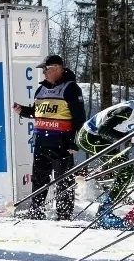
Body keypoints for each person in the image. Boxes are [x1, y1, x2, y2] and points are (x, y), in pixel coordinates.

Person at [11, 54, 86, 220]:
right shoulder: (41, 89)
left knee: (63, 181)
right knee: (38, 179)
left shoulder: (71, 88)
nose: (44, 72)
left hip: (62, 143)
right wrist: (22, 110)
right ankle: (36, 212)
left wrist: (74, 142)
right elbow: (36, 112)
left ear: (57, 68)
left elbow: (80, 118)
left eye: (46, 68)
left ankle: (64, 215)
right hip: (41, 142)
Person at [75, 96, 134, 231]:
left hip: (102, 139)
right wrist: (133, 138)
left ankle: (107, 207)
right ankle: (104, 213)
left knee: (126, 171)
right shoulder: (128, 110)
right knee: (126, 171)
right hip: (89, 137)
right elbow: (104, 130)